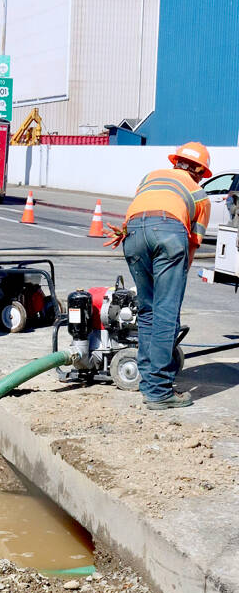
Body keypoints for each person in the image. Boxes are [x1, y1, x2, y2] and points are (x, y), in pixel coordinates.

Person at [105, 142, 212, 410]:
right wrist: (179, 277)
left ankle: (148, 382)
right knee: (166, 311)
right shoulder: (200, 194)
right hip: (169, 233)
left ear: (176, 162)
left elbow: (142, 210)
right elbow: (192, 244)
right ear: (199, 170)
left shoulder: (150, 177)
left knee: (148, 310)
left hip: (131, 232)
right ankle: (159, 391)